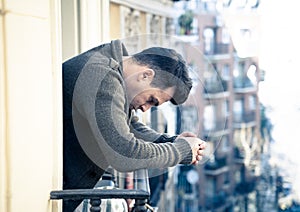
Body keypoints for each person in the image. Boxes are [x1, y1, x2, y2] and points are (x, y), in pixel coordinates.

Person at [63, 39, 206, 211]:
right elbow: (123, 153)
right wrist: (181, 151)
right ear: (145, 75)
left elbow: (129, 126)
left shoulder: (113, 72)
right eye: (151, 100)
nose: (146, 109)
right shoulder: (102, 77)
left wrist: (169, 140)